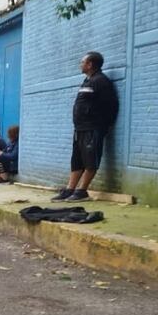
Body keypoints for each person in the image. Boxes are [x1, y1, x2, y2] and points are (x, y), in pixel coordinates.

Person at [52, 51, 119, 202]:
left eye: (83, 62)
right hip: (80, 128)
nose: (80, 64)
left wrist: (106, 125)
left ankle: (82, 191)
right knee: (76, 160)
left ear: (90, 64)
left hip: (93, 128)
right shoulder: (87, 81)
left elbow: (111, 106)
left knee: (90, 160)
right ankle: (70, 190)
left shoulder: (101, 81)